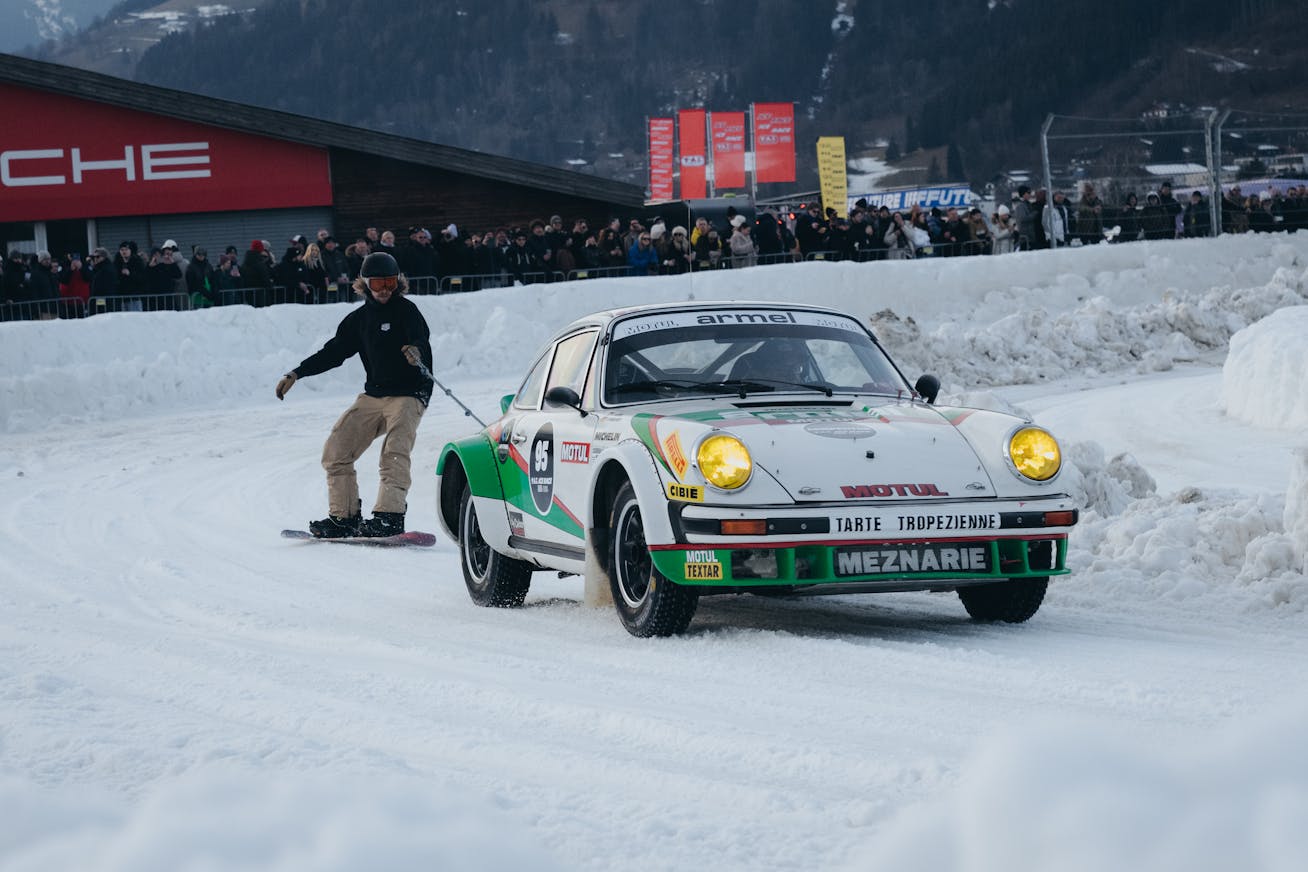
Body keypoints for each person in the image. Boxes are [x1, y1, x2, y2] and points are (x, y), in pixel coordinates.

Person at [275, 252, 433, 539]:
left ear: (397, 282)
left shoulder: (408, 311)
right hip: (374, 396)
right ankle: (343, 517)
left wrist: (416, 350)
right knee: (336, 451)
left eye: (389, 282)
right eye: (377, 283)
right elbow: (333, 353)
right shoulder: (359, 320)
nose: (384, 289)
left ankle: (389, 517)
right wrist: (296, 373)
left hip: (410, 392)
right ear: (365, 285)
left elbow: (420, 337)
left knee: (394, 452)